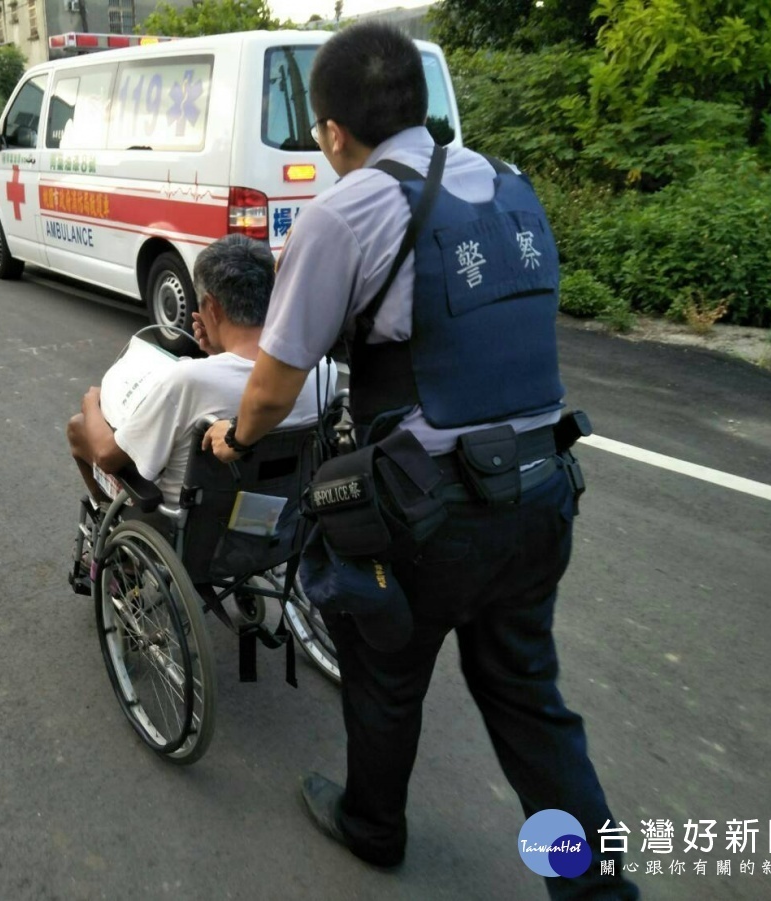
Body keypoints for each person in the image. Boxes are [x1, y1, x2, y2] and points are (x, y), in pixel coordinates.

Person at [201, 23, 639, 900]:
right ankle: (597, 886)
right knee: (528, 699)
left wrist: (236, 442)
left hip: (427, 514)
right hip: (542, 488)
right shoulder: (510, 184)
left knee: (385, 673)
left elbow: (275, 386)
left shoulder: (347, 209)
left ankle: (372, 823)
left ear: (331, 131)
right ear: (423, 101)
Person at [67, 234, 335, 508]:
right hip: (285, 516)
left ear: (213, 308)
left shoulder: (189, 380)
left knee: (79, 427)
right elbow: (244, 376)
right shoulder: (320, 369)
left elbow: (106, 456)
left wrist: (92, 403)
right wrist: (219, 354)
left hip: (187, 529)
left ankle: (106, 526)